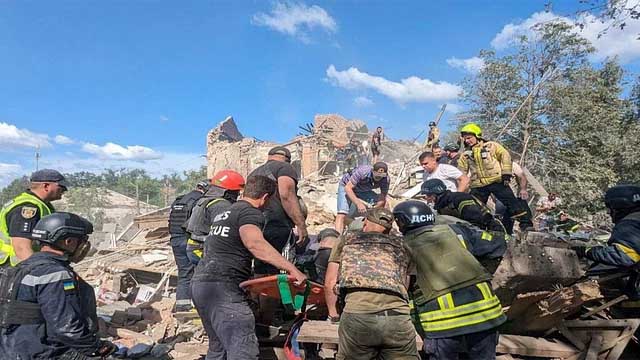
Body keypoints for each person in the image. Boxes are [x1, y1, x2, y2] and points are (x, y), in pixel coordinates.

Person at [191, 175, 307, 360]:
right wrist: (292, 269)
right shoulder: (250, 213)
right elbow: (255, 244)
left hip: (202, 285)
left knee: (218, 348)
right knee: (243, 349)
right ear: (265, 197)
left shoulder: (226, 213)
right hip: (224, 289)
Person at [393, 201, 506, 360]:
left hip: (442, 324)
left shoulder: (401, 247)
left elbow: (404, 290)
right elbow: (496, 245)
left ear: (401, 222)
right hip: (486, 315)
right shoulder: (457, 231)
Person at [0, 212, 116, 359]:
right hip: (43, 353)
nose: (85, 245)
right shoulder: (54, 275)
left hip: (12, 349)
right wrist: (98, 348)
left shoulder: (19, 268)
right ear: (68, 241)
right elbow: (67, 329)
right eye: (82, 240)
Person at [324, 208, 418, 360]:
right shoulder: (404, 245)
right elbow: (404, 285)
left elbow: (330, 282)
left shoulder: (347, 240)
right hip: (398, 318)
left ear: (365, 222)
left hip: (359, 316)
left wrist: (334, 316)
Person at [571, 185, 640, 312]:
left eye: (610, 209)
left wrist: (587, 251)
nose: (609, 214)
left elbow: (625, 256)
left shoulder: (630, 223)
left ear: (619, 207)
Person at [457, 123, 533, 233]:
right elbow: (461, 171)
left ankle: (526, 224)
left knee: (512, 203)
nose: (467, 141)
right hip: (478, 185)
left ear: (477, 135)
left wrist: (506, 173)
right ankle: (477, 227)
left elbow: (505, 156)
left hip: (496, 181)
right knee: (474, 207)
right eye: (465, 139)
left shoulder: (491, 146)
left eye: (469, 138)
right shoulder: (465, 154)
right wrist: (461, 187)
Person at [249, 146, 308, 275]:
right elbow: (286, 194)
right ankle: (279, 296)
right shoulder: (285, 168)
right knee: (284, 271)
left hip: (257, 226)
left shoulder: (253, 173)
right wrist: (301, 225)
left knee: (261, 272)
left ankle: (261, 295)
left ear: (269, 157)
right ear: (287, 159)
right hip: (278, 226)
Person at [0, 169, 67, 267]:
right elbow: (21, 247)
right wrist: (39, 271)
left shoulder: (42, 205)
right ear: (46, 186)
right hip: (15, 268)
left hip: (27, 265)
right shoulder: (28, 207)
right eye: (61, 186)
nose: (64, 190)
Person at [185, 170, 245, 265]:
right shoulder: (221, 205)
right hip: (202, 249)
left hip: (194, 247)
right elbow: (223, 233)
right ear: (228, 192)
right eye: (236, 192)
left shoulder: (205, 200)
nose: (237, 195)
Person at [168, 181, 209, 312]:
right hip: (189, 241)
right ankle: (200, 306)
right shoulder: (199, 201)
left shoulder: (179, 200)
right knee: (200, 272)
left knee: (184, 273)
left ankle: (182, 305)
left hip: (175, 240)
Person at [421, 179, 505, 233]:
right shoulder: (443, 205)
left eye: (427, 196)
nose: (427, 199)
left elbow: (477, 221)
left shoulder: (460, 199)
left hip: (492, 232)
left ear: (435, 195)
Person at [334, 162, 390, 233]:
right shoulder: (363, 172)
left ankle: (381, 232)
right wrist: (358, 203)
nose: (379, 177)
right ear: (372, 171)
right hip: (346, 186)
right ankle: (337, 236)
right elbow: (348, 188)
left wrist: (375, 209)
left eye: (381, 175)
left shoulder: (386, 179)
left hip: (363, 190)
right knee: (342, 213)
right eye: (377, 175)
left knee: (385, 205)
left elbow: (382, 197)